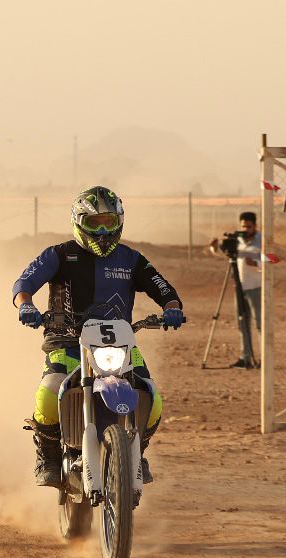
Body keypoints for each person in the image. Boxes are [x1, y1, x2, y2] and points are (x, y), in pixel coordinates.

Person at [11, 186, 184, 487]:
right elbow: (24, 284)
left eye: (108, 222)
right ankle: (47, 455)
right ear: (79, 223)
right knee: (50, 390)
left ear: (119, 222)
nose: (103, 231)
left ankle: (137, 452)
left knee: (151, 396)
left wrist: (172, 309)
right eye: (94, 223)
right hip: (66, 340)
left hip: (119, 342)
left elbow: (164, 289)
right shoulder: (59, 255)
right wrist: (26, 305)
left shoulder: (131, 259)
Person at [208, 211, 262, 369]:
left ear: (255, 226)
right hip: (240, 287)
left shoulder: (262, 240)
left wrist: (257, 264)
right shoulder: (238, 239)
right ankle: (245, 357)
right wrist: (214, 247)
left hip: (256, 287)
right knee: (242, 323)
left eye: (249, 226)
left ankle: (264, 357)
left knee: (260, 324)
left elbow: (271, 259)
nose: (245, 229)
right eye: (243, 226)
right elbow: (226, 253)